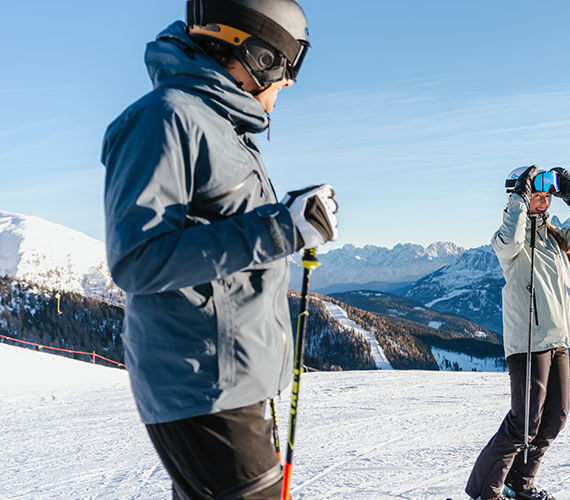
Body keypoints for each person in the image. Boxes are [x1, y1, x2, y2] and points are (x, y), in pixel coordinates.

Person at [101, 1, 338, 498]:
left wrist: (289, 220)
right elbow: (136, 258)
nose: (291, 81)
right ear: (255, 55)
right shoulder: (165, 118)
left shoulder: (222, 127)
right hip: (204, 387)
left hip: (230, 382)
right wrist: (280, 230)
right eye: (289, 63)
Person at [466, 166, 570, 500]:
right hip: (527, 343)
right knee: (524, 422)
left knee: (556, 418)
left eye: (547, 197)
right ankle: (484, 492)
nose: (542, 203)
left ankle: (520, 482)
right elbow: (511, 239)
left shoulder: (557, 239)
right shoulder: (508, 241)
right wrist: (519, 199)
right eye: (536, 196)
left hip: (559, 341)